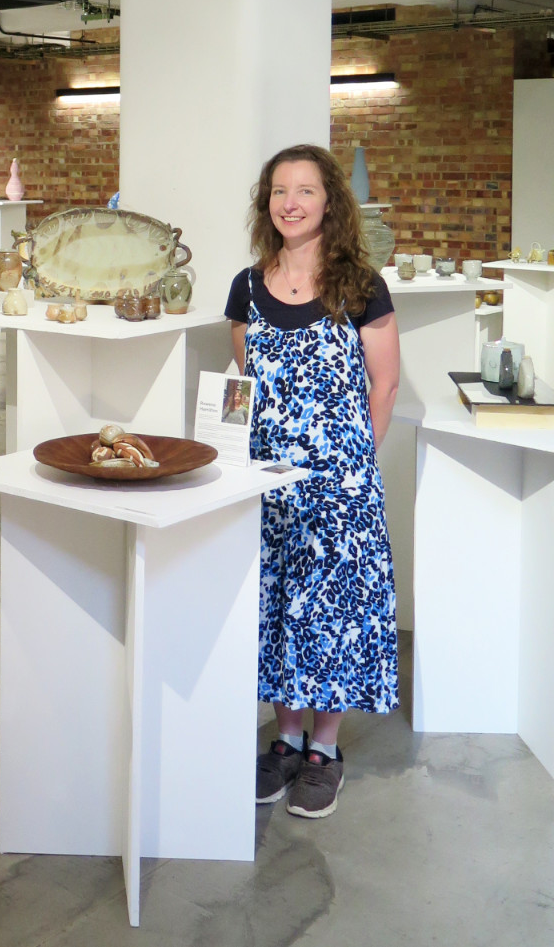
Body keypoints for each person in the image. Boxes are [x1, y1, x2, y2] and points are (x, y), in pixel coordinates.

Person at [224, 143, 400, 819]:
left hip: (340, 485)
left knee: (335, 616)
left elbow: (383, 384)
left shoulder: (360, 285)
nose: (290, 203)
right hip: (267, 483)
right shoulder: (246, 286)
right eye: (278, 192)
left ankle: (326, 748)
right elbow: (247, 384)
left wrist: (354, 462)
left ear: (330, 201)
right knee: (278, 608)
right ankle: (287, 738)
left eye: (304, 190)